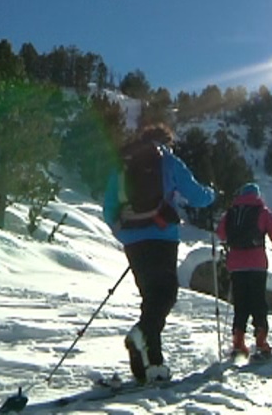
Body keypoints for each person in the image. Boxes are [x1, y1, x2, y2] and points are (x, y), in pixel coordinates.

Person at [102, 123, 215, 384]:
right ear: (166, 141)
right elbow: (197, 196)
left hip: (133, 240)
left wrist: (127, 234)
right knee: (165, 296)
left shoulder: (124, 163)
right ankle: (139, 336)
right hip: (162, 238)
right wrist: (212, 194)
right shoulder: (167, 160)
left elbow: (109, 208)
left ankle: (152, 365)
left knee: (151, 298)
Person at [216, 183, 272, 358]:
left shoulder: (232, 212)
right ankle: (261, 341)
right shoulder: (262, 211)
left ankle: (238, 342)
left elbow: (221, 234)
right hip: (257, 263)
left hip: (236, 265)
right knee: (258, 301)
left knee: (241, 303)